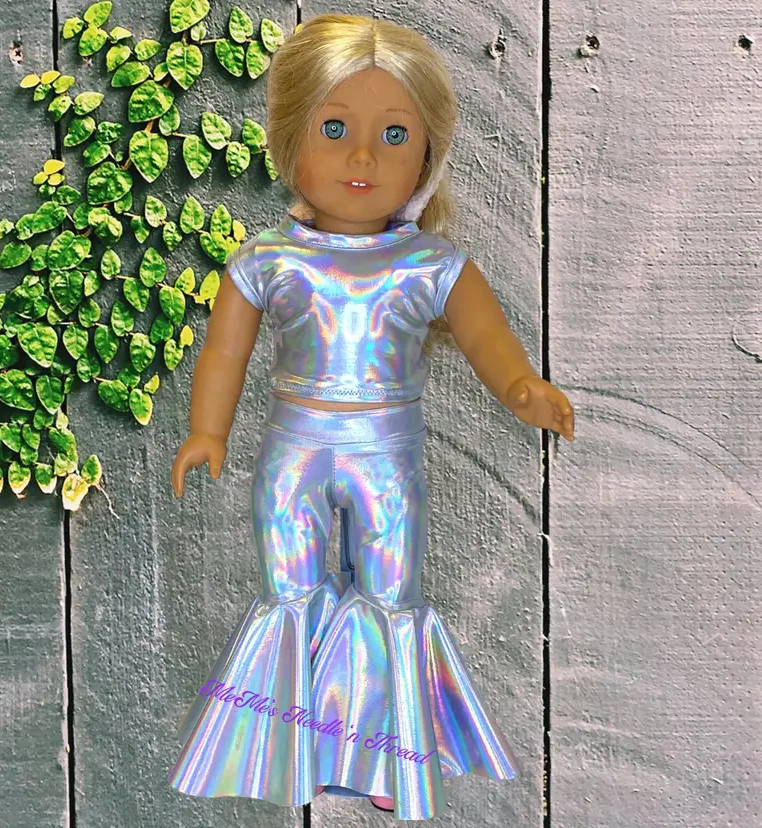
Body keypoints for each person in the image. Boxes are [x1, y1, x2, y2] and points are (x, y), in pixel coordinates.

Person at [168, 13, 574, 821]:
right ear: (290, 140)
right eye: (335, 129)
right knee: (289, 592)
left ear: (427, 153)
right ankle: (295, 754)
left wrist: (523, 387)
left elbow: (489, 343)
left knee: (391, 596)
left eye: (394, 134)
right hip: (293, 452)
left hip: (387, 456)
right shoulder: (268, 260)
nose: (363, 157)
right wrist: (207, 430)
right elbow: (224, 354)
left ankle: (385, 756)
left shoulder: (432, 264)